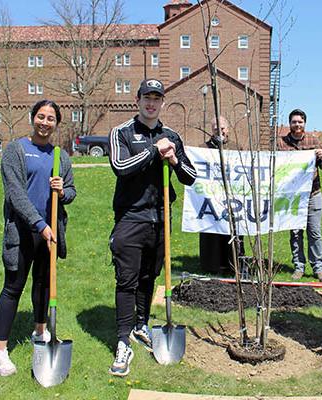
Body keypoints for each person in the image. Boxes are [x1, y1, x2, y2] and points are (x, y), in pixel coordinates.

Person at [108, 79, 196, 376]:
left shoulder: (171, 135)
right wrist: (153, 152)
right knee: (127, 280)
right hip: (130, 218)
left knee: (149, 277)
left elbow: (190, 176)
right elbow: (120, 167)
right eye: (147, 97)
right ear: (138, 100)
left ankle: (141, 323)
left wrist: (172, 159)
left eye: (157, 98)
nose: (151, 103)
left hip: (160, 219)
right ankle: (122, 342)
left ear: (162, 102)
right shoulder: (121, 132)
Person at [0, 100, 76, 376]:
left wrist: (63, 191)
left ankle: (40, 332)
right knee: (13, 287)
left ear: (56, 123)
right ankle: (0, 352)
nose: (44, 122)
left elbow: (72, 191)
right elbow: (15, 193)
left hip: (50, 231)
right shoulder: (15, 150)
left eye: (51, 118)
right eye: (40, 116)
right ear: (32, 118)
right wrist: (40, 224)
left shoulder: (59, 155)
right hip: (22, 231)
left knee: (43, 284)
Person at [277, 109, 322, 282]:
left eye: (300, 122)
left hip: (313, 193)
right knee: (295, 233)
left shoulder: (313, 141)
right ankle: (298, 267)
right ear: (290, 124)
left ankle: (318, 268)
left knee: (314, 231)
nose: (297, 125)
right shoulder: (281, 143)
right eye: (294, 122)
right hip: (293, 196)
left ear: (304, 124)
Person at [199, 116, 245, 275]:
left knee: (233, 231)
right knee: (211, 233)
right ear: (212, 130)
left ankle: (233, 265)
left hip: (233, 198)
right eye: (216, 128)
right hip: (210, 199)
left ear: (228, 129)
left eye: (223, 128)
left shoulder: (236, 148)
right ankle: (211, 265)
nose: (220, 131)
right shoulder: (202, 149)